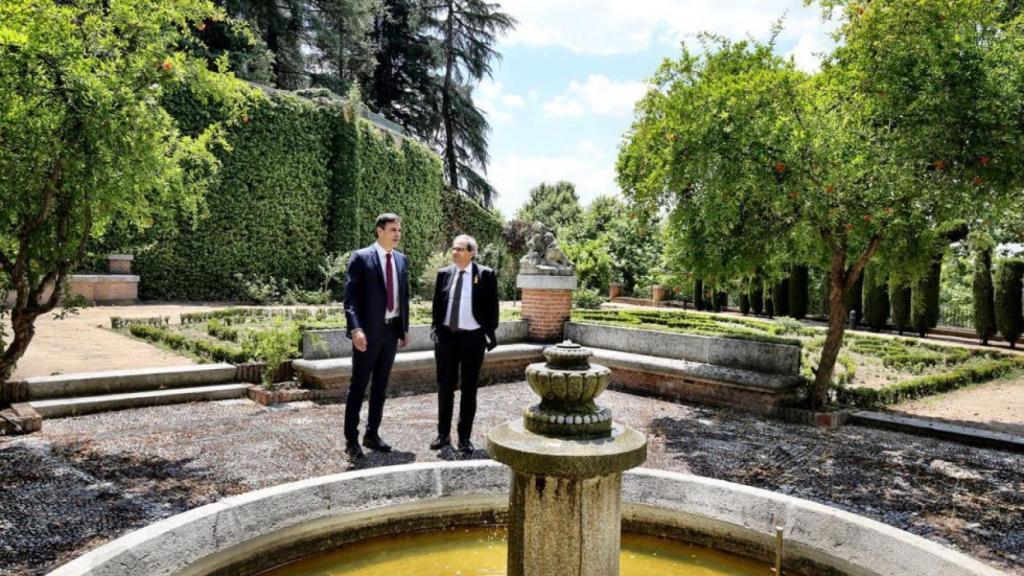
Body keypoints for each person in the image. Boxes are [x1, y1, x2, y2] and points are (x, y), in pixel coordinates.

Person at [342, 213, 409, 460]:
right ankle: (351, 440)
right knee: (358, 386)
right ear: (379, 230)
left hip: (391, 331)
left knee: (380, 386)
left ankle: (372, 433)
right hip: (367, 334)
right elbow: (350, 299)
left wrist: (404, 329)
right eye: (393, 229)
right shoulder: (360, 258)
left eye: (399, 230)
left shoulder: (401, 260)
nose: (397, 234)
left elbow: (404, 296)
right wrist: (356, 329)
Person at [430, 234, 499, 454]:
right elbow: (436, 307)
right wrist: (436, 331)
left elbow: (492, 309)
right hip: (447, 339)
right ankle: (443, 435)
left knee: (469, 390)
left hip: (473, 339)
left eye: (460, 249)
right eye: (453, 248)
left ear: (471, 252)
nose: (455, 252)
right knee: (445, 388)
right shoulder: (444, 274)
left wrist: (487, 334)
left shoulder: (485, 275)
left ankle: (465, 438)